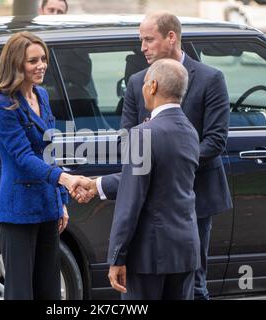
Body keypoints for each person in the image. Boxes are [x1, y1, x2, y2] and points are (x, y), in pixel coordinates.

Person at [73, 11, 233, 300]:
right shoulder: (137, 82)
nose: (143, 47)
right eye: (141, 40)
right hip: (149, 203)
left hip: (194, 200)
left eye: (148, 40)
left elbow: (217, 140)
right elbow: (127, 140)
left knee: (194, 286)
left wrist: (170, 156)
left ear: (171, 37)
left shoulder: (211, 78)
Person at [0, 31, 80, 300]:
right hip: (18, 210)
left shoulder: (42, 95)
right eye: (33, 60)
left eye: (43, 58)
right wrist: (64, 179)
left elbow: (49, 150)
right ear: (16, 64)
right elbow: (22, 158)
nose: (41, 65)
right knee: (20, 292)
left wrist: (61, 201)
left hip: (47, 206)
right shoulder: (1, 104)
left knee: (49, 291)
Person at [108, 58, 200, 299]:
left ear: (153, 86)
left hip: (148, 256)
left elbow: (130, 202)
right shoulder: (190, 132)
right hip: (185, 250)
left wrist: (117, 256)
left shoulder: (142, 134)